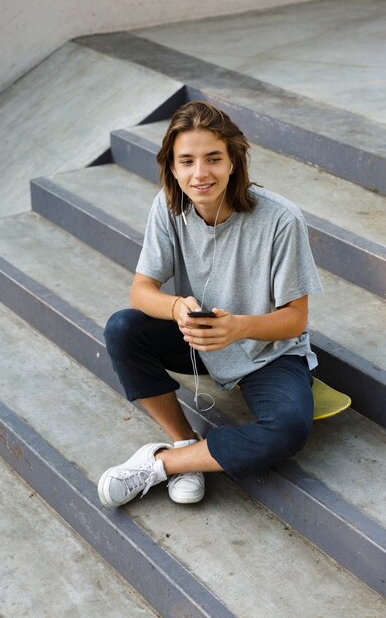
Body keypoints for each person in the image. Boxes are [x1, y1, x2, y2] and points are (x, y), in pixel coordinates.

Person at [98, 100, 322, 508]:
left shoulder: (280, 219)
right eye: (186, 161)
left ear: (234, 161)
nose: (200, 174)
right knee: (122, 328)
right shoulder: (169, 206)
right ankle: (184, 438)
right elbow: (140, 290)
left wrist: (239, 327)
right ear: (172, 167)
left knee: (288, 428)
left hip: (266, 352)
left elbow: (295, 320)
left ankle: (168, 464)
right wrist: (176, 308)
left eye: (213, 159)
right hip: (198, 339)